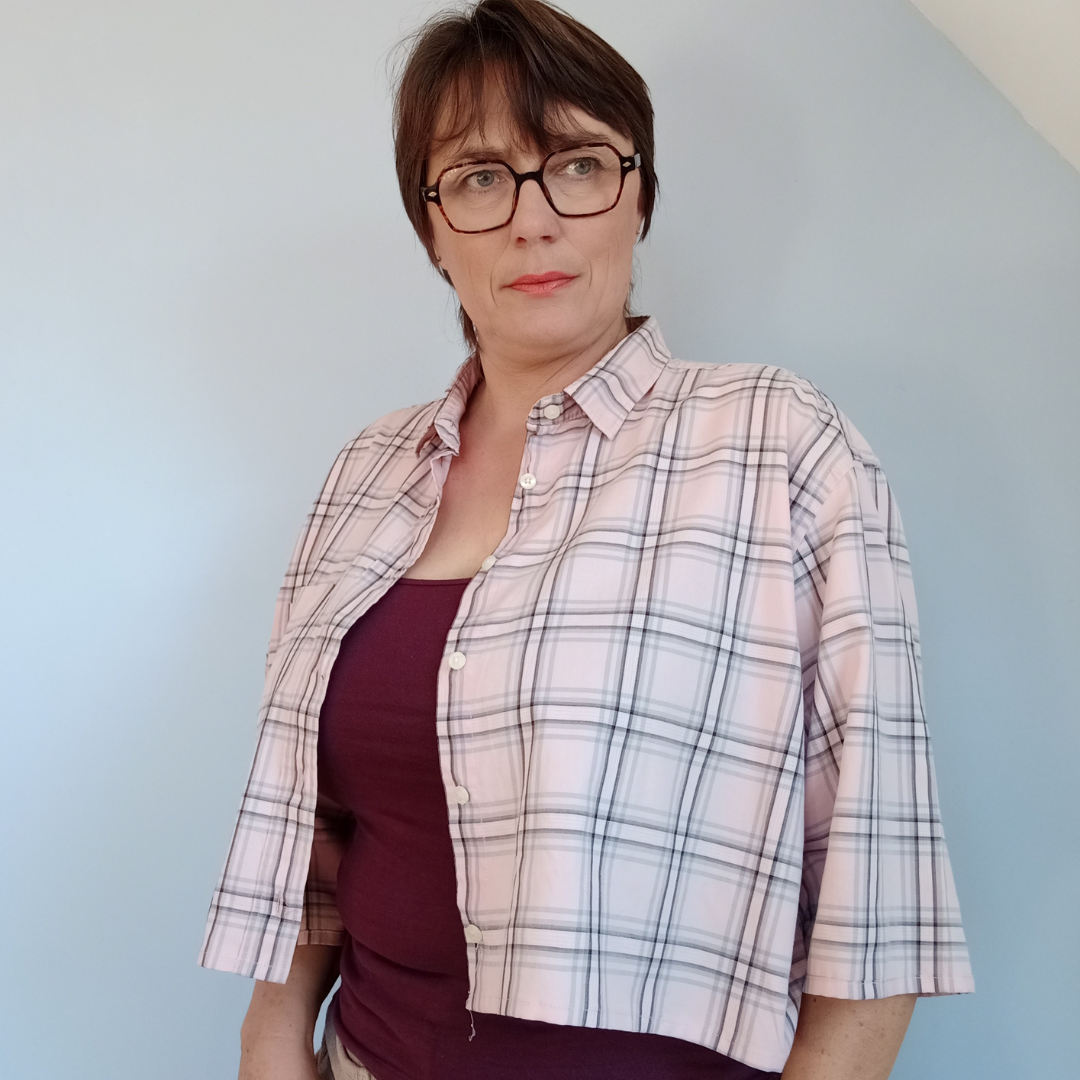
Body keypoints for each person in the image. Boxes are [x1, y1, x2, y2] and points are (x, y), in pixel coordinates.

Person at [199, 2, 974, 1078]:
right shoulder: (366, 473)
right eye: (479, 177)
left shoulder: (777, 445)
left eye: (576, 165)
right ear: (432, 229)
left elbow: (877, 875)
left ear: (638, 195)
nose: (533, 219)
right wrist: (269, 1034)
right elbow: (316, 831)